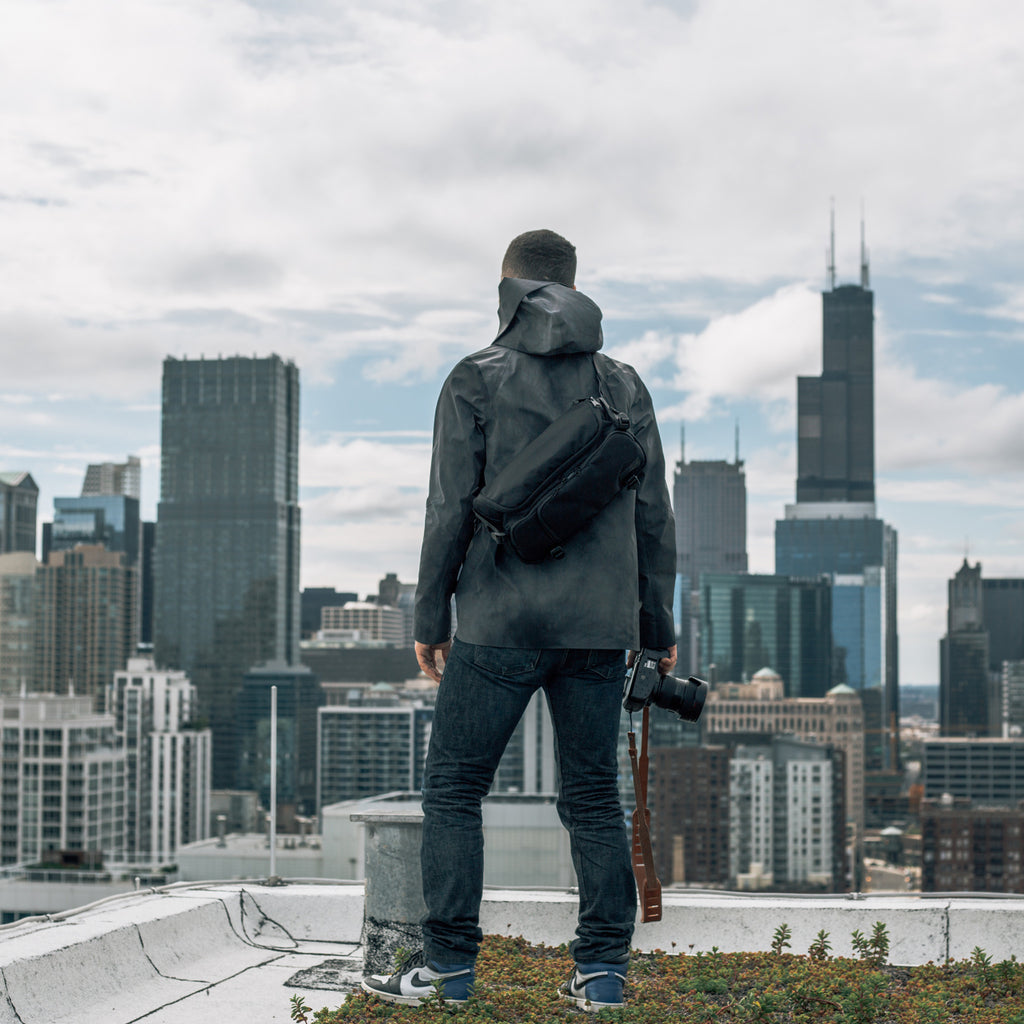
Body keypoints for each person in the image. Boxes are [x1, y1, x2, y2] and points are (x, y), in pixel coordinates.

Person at [361, 229, 676, 1012]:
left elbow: (446, 510)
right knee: (592, 798)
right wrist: (657, 629)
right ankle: (601, 975)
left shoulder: (476, 377)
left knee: (456, 790)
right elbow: (654, 518)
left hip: (498, 620)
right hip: (599, 630)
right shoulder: (623, 384)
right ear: (573, 285)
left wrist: (431, 614)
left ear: (506, 289)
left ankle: (449, 972)